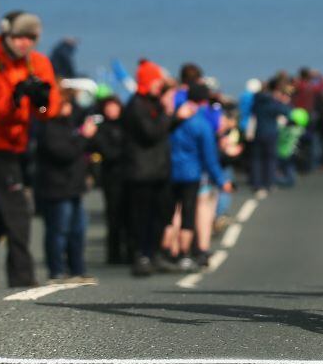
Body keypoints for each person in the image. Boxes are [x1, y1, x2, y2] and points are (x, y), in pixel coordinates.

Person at [0, 11, 60, 287]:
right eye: (18, 37)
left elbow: (46, 112)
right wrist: (14, 99)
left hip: (15, 146)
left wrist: (40, 100)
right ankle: (22, 276)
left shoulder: (38, 63)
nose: (23, 43)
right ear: (6, 35)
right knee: (17, 209)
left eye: (30, 38)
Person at [168, 82, 232, 271]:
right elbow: (209, 157)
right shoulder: (200, 123)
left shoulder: (175, 118)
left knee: (174, 214)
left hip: (170, 172)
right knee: (197, 213)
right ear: (204, 100)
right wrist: (221, 180)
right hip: (193, 173)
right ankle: (193, 252)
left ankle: (171, 250)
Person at [123, 59, 176, 276]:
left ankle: (154, 253)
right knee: (140, 217)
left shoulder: (154, 103)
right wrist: (168, 112)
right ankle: (140, 255)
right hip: (141, 171)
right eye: (155, 81)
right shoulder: (136, 105)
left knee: (161, 215)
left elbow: (161, 131)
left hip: (159, 170)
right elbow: (151, 133)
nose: (158, 85)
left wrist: (173, 117)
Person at [35, 95, 95, 283]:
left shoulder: (70, 124)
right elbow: (64, 153)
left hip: (74, 186)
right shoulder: (49, 127)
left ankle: (78, 269)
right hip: (57, 187)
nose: (69, 107)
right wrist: (84, 137)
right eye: (65, 103)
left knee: (78, 231)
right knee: (59, 230)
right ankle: (57, 270)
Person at [90, 95, 129, 264]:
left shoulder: (127, 126)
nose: (112, 111)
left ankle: (130, 251)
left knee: (129, 216)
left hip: (128, 176)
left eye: (114, 107)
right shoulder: (102, 129)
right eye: (108, 108)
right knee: (113, 217)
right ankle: (114, 253)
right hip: (111, 178)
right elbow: (107, 152)